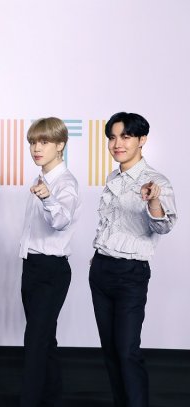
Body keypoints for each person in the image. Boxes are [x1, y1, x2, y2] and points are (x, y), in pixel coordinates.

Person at [89, 112, 177, 407]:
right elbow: (110, 223)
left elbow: (163, 227)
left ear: (142, 140)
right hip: (101, 270)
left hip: (130, 274)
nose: (118, 144)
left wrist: (154, 201)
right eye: (113, 137)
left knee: (127, 351)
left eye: (126, 137)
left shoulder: (156, 181)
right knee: (111, 351)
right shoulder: (113, 177)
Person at [18, 117, 80, 407]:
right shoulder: (41, 179)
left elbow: (60, 220)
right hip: (32, 265)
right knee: (44, 340)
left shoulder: (65, 182)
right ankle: (52, 399)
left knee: (35, 341)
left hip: (50, 269)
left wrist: (48, 198)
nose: (36, 148)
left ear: (61, 145)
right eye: (33, 142)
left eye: (44, 142)